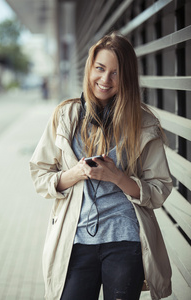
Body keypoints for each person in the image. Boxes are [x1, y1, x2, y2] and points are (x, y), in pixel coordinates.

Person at [29, 32, 173, 300]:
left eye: (116, 73)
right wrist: (76, 173)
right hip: (75, 240)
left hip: (125, 240)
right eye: (100, 68)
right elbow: (40, 175)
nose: (105, 80)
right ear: (90, 68)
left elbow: (160, 188)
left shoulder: (144, 123)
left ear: (127, 77)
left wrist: (117, 177)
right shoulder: (65, 115)